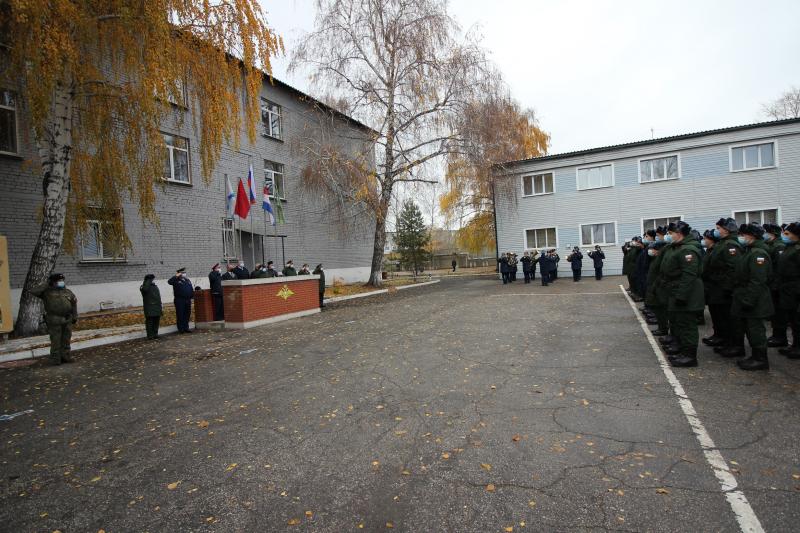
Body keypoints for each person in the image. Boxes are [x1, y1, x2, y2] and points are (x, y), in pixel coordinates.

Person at [660, 221, 704, 367]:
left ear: (678, 234)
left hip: (687, 293)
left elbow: (689, 275)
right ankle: (683, 351)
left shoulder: (688, 250)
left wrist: (682, 296)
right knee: (680, 323)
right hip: (677, 290)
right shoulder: (678, 247)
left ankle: (690, 356)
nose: (669, 236)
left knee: (687, 325)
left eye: (671, 233)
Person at [730, 224, 774, 371]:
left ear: (752, 236)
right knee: (750, 328)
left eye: (743, 234)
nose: (740, 237)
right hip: (748, 296)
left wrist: (749, 300)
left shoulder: (757, 254)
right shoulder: (750, 250)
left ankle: (761, 359)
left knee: (756, 330)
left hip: (755, 299)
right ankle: (755, 356)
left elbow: (758, 280)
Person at [705, 217, 744, 357]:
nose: (717, 231)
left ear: (727, 230)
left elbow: (734, 269)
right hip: (718, 287)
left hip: (725, 289)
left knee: (730, 319)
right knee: (722, 317)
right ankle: (727, 342)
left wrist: (727, 288)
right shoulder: (723, 243)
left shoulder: (730, 245)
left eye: (719, 228)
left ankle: (736, 345)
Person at [30, 273, 78, 365]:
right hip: (54, 319)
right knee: (56, 339)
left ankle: (66, 356)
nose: (61, 282)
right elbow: (33, 291)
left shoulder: (67, 291)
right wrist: (47, 284)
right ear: (53, 282)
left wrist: (75, 316)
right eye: (58, 281)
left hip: (67, 319)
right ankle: (55, 358)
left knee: (66, 339)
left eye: (62, 281)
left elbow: (74, 304)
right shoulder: (47, 292)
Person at [776, 222, 800, 358]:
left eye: (787, 233)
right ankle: (795, 345)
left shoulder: (797, 250)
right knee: (792, 318)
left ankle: (798, 347)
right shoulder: (789, 247)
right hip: (788, 289)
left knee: (797, 320)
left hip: (795, 288)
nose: (784, 236)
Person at [763, 223, 788, 347]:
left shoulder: (778, 246)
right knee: (775, 312)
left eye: (766, 232)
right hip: (773, 284)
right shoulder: (771, 244)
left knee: (779, 313)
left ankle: (780, 337)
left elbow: (779, 268)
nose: (764, 234)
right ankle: (777, 335)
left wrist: (775, 285)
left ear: (772, 233)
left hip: (778, 286)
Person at [700, 230, 722, 346]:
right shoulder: (709, 251)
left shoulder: (716, 250)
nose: (704, 240)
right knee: (715, 314)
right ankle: (717, 335)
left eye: (706, 238)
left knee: (720, 315)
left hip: (717, 287)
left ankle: (721, 337)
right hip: (711, 287)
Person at [645, 241, 669, 336]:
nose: (651, 251)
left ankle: (663, 328)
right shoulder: (655, 258)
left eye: (653, 249)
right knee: (658, 310)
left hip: (659, 287)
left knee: (661, 310)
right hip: (655, 287)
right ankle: (661, 327)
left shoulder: (661, 259)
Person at [168, 267, 194, 333]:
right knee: (180, 314)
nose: (184, 273)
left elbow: (190, 289)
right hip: (180, 300)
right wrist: (175, 276)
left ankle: (186, 328)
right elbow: (169, 282)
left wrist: (192, 296)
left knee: (187, 314)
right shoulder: (176, 280)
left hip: (187, 300)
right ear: (179, 273)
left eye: (184, 272)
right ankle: (181, 329)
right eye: (182, 273)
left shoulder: (187, 280)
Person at [140, 273, 163, 338]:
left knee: (156, 321)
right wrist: (148, 281)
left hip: (157, 306)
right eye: (152, 279)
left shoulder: (154, 286)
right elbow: (145, 290)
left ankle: (155, 334)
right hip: (150, 307)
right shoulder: (144, 286)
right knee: (150, 321)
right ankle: (150, 335)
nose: (153, 280)